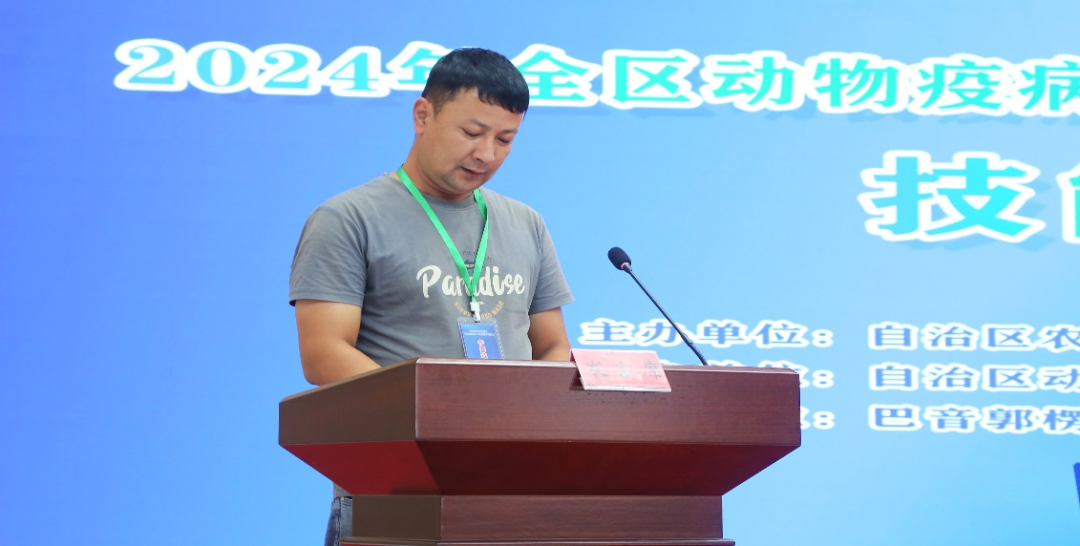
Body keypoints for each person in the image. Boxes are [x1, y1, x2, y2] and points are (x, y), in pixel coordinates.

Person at [288, 48, 574, 546]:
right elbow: (323, 353)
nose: (486, 154)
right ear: (423, 116)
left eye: (505, 139)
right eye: (472, 132)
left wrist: (528, 425)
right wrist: (438, 421)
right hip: (393, 489)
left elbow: (551, 345)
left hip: (507, 487)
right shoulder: (348, 218)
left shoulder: (525, 223)